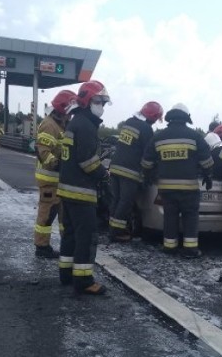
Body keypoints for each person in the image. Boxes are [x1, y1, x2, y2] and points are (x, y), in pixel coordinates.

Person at [57, 80, 111, 295]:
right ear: (89, 101)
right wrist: (104, 174)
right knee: (86, 237)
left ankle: (66, 274)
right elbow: (87, 161)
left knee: (70, 235)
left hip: (67, 190)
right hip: (81, 192)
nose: (102, 107)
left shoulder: (74, 122)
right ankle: (83, 280)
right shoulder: (86, 126)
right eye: (100, 102)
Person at [141, 103, 213, 258]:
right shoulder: (194, 136)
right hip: (189, 189)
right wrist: (208, 176)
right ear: (186, 117)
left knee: (170, 217)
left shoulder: (158, 137)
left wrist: (148, 176)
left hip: (166, 189)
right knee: (190, 217)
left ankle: (169, 247)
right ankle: (190, 250)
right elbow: (207, 161)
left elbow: (146, 162)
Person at [108, 101, 163, 242]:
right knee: (125, 202)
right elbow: (148, 154)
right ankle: (117, 232)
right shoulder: (146, 129)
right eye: (156, 119)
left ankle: (113, 229)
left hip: (114, 167)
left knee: (116, 200)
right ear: (152, 117)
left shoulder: (129, 122)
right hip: (129, 172)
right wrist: (151, 172)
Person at [34, 89, 76, 258]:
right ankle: (41, 247)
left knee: (62, 214)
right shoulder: (49, 124)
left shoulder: (61, 124)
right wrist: (58, 164)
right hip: (49, 179)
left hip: (59, 180)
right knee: (47, 214)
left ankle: (66, 245)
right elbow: (44, 152)